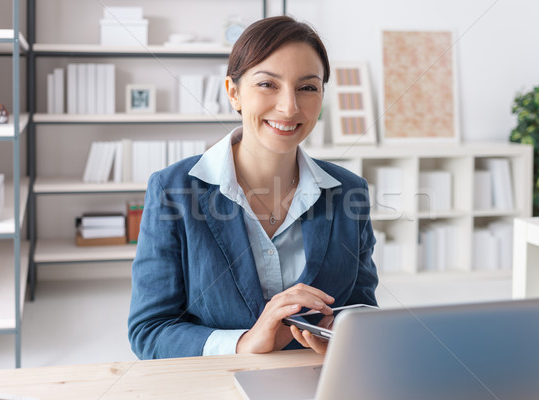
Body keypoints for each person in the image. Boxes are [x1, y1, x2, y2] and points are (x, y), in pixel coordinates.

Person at [128, 15, 378, 359]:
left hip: (318, 380)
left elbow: (363, 308)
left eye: (307, 87)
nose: (289, 107)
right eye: (267, 84)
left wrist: (342, 333)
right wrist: (244, 343)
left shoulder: (350, 191)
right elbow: (150, 332)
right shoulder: (172, 190)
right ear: (234, 93)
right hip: (218, 383)